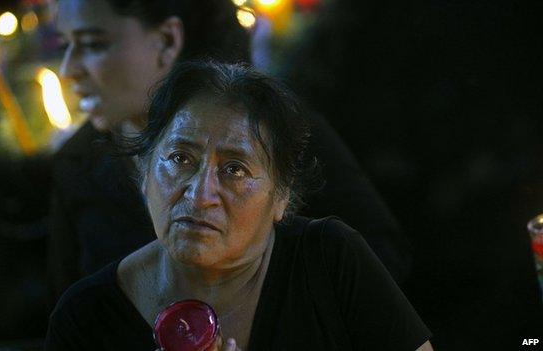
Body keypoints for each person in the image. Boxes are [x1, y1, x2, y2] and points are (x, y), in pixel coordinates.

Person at [46, 61, 432, 350]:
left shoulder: (330, 263)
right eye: (180, 158)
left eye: (234, 169)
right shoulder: (87, 318)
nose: (199, 195)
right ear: (144, 174)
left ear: (281, 197)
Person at [50, 0, 410, 298]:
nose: (69, 69)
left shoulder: (273, 129)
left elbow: (377, 262)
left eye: (93, 44)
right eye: (64, 44)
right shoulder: (78, 166)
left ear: (166, 40)